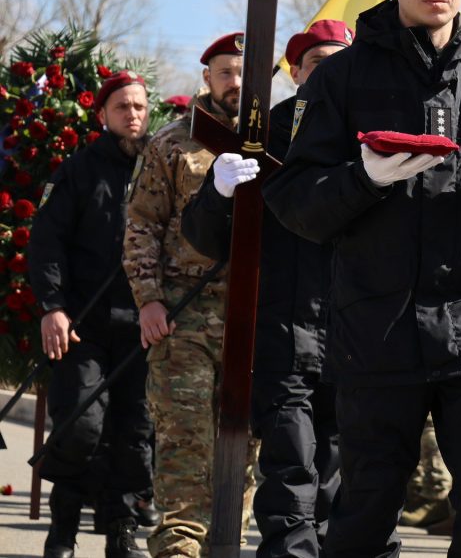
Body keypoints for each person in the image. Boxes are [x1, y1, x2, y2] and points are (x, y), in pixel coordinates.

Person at [262, 0, 461, 558]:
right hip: (375, 329)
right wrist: (363, 175)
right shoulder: (341, 79)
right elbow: (295, 202)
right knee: (364, 510)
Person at [180, 19, 352, 558]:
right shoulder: (263, 136)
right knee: (290, 468)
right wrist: (219, 189)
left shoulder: (375, 134)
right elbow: (207, 238)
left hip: (358, 333)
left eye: (343, 61)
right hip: (284, 332)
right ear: (296, 72)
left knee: (339, 477)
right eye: (319, 63)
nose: (332, 73)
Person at [122, 32, 260, 558]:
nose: (236, 83)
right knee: (184, 437)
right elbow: (141, 225)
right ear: (207, 78)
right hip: (184, 314)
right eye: (225, 72)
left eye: (246, 74)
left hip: (253, 315)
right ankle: (178, 546)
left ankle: (225, 544)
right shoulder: (173, 142)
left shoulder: (278, 141)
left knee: (244, 446)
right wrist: (150, 299)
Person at [29, 72, 153, 558]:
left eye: (140, 106)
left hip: (143, 326)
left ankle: (121, 532)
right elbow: (46, 243)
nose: (133, 114)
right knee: (79, 426)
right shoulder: (77, 171)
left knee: (134, 433)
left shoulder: (159, 168)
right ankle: (63, 529)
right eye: (122, 106)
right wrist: (52, 307)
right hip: (82, 327)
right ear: (103, 114)